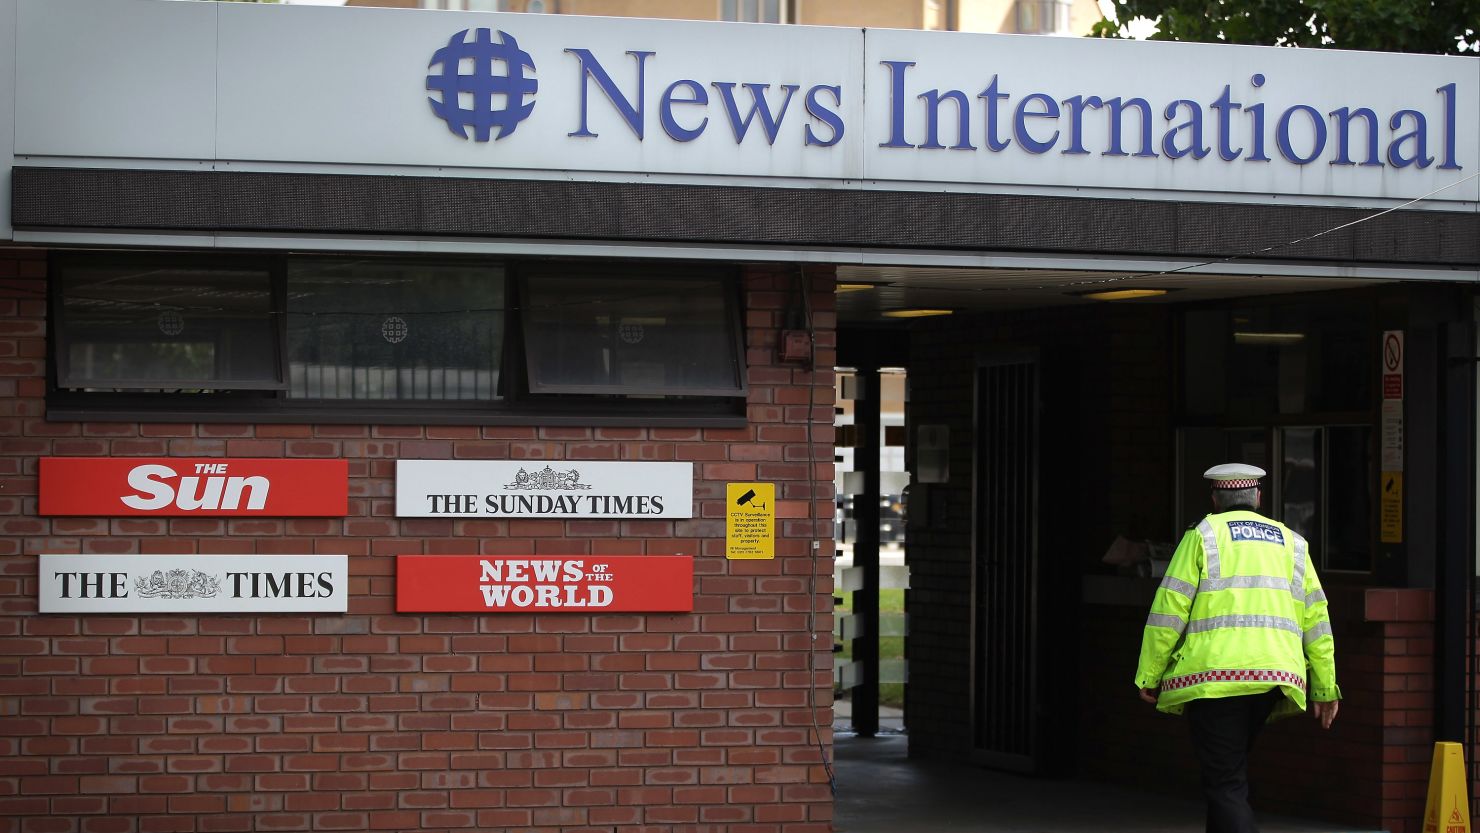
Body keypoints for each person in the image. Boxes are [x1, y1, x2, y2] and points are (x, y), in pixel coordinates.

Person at [1134, 463, 1340, 833]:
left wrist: (1150, 674)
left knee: (1226, 783)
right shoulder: (1292, 542)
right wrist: (1324, 686)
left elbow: (1169, 609)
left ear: (1214, 498)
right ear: (1258, 497)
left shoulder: (1203, 535)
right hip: (1271, 680)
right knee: (1226, 774)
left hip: (1214, 680)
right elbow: (1317, 620)